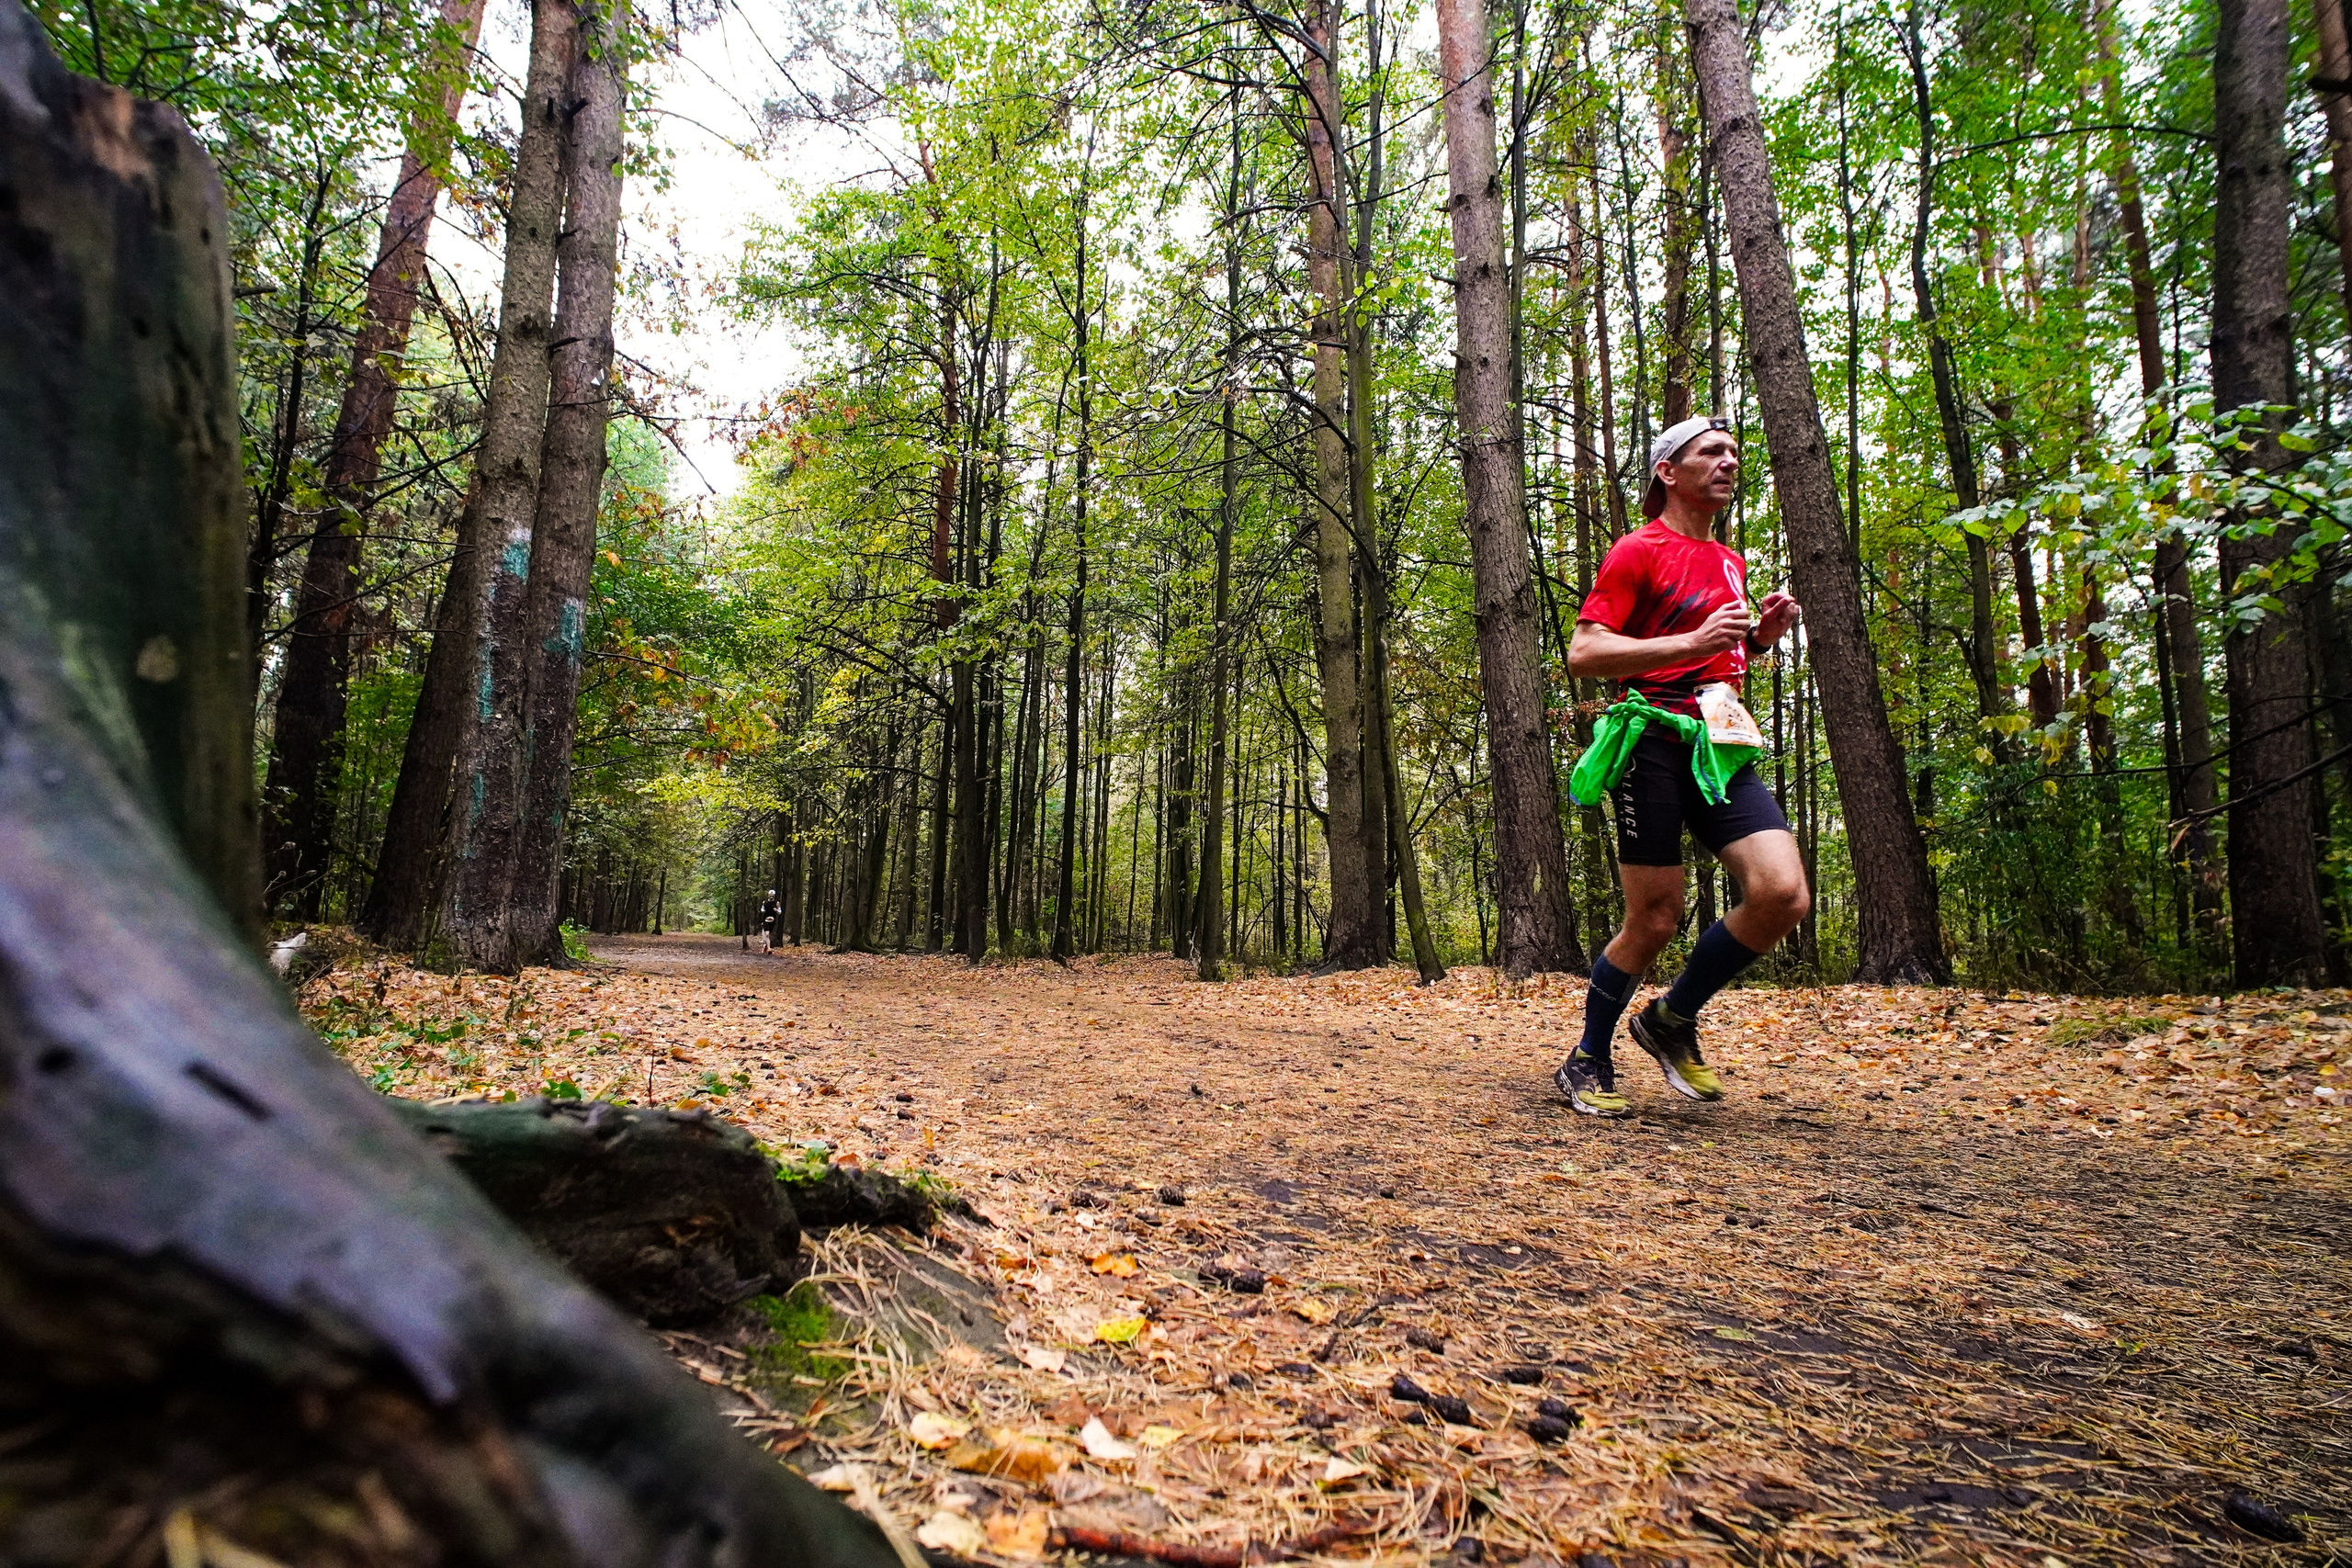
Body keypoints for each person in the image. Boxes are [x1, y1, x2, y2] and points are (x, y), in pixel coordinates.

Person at [1556, 414, 1810, 1117]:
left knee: (1783, 893)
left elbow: (1715, 657)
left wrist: (1758, 639)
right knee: (1657, 918)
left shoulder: (1730, 559)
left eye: (1733, 452)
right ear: (1669, 470)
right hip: (1651, 742)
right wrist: (1691, 639)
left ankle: (1670, 1018)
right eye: (1711, 453)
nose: (1729, 462)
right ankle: (1588, 1058)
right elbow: (1585, 654)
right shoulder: (1637, 550)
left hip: (1721, 742)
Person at [757, 889, 783, 954]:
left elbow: (780, 912)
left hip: (772, 921)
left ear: (774, 896)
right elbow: (762, 909)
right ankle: (769, 948)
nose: (771, 897)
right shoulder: (765, 902)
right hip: (765, 920)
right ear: (768, 895)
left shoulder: (777, 903)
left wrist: (776, 910)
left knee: (767, 935)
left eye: (772, 895)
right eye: (770, 895)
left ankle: (765, 946)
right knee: (767, 934)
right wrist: (763, 910)